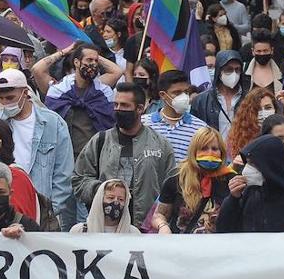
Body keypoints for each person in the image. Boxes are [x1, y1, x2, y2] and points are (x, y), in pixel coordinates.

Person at [73, 83, 176, 230]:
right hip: (105, 230)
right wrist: (101, 190)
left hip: (145, 231)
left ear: (140, 109)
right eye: (116, 105)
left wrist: (161, 222)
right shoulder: (100, 141)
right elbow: (78, 180)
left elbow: (171, 188)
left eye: (125, 106)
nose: (118, 109)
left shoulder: (161, 145)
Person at [0, 69, 74, 229]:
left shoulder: (53, 124)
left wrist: (47, 211)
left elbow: (64, 175)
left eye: (10, 98)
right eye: (1, 98)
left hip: (42, 215)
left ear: (25, 93)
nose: (6, 103)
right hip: (4, 214)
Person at [37, 42, 120, 157]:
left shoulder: (102, 92)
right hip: (65, 156)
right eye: (89, 60)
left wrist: (90, 52)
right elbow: (37, 69)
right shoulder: (59, 92)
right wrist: (65, 52)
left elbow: (117, 71)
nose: (94, 64)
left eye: (96, 61)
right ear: (76, 62)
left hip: (96, 156)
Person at [216, 134, 284, 233]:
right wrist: (233, 199)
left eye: (253, 164)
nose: (247, 169)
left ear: (269, 166)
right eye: (247, 163)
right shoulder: (249, 193)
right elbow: (224, 229)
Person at [152, 127, 234, 234]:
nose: (209, 153)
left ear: (221, 152)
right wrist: (162, 226)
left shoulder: (229, 178)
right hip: (182, 246)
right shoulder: (177, 178)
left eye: (214, 149)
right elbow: (159, 215)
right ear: (194, 151)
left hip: (220, 246)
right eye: (204, 148)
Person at [142, 69, 208, 164]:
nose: (184, 97)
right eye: (177, 93)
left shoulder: (200, 128)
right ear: (163, 95)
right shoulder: (144, 124)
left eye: (186, 92)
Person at [189, 51, 244, 146]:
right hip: (211, 153)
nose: (234, 74)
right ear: (219, 71)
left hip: (241, 156)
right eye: (229, 70)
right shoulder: (201, 101)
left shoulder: (250, 99)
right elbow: (193, 134)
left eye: (237, 69)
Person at [225, 88, 278, 160]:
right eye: (257, 109)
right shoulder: (237, 138)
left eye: (268, 108)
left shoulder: (281, 133)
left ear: (275, 109)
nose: (263, 113)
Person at [69, 178, 136, 233]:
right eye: (111, 198)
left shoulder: (134, 233)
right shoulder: (79, 231)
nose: (116, 202)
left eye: (121, 199)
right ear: (100, 199)